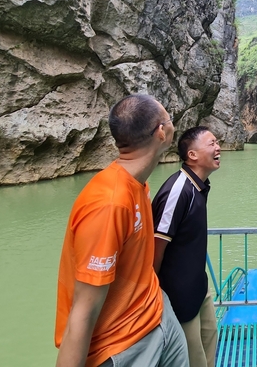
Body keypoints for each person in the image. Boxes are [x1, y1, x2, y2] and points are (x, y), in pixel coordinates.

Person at [54, 94, 188, 367]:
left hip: (157, 314)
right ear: (161, 132)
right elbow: (82, 312)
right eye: (169, 119)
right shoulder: (109, 205)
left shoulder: (138, 184)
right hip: (122, 345)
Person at [152, 126, 221, 367]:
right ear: (192, 155)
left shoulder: (199, 186)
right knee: (193, 360)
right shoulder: (178, 190)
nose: (218, 147)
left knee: (210, 340)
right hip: (177, 297)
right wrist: (154, 295)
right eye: (211, 143)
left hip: (198, 288)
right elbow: (155, 247)